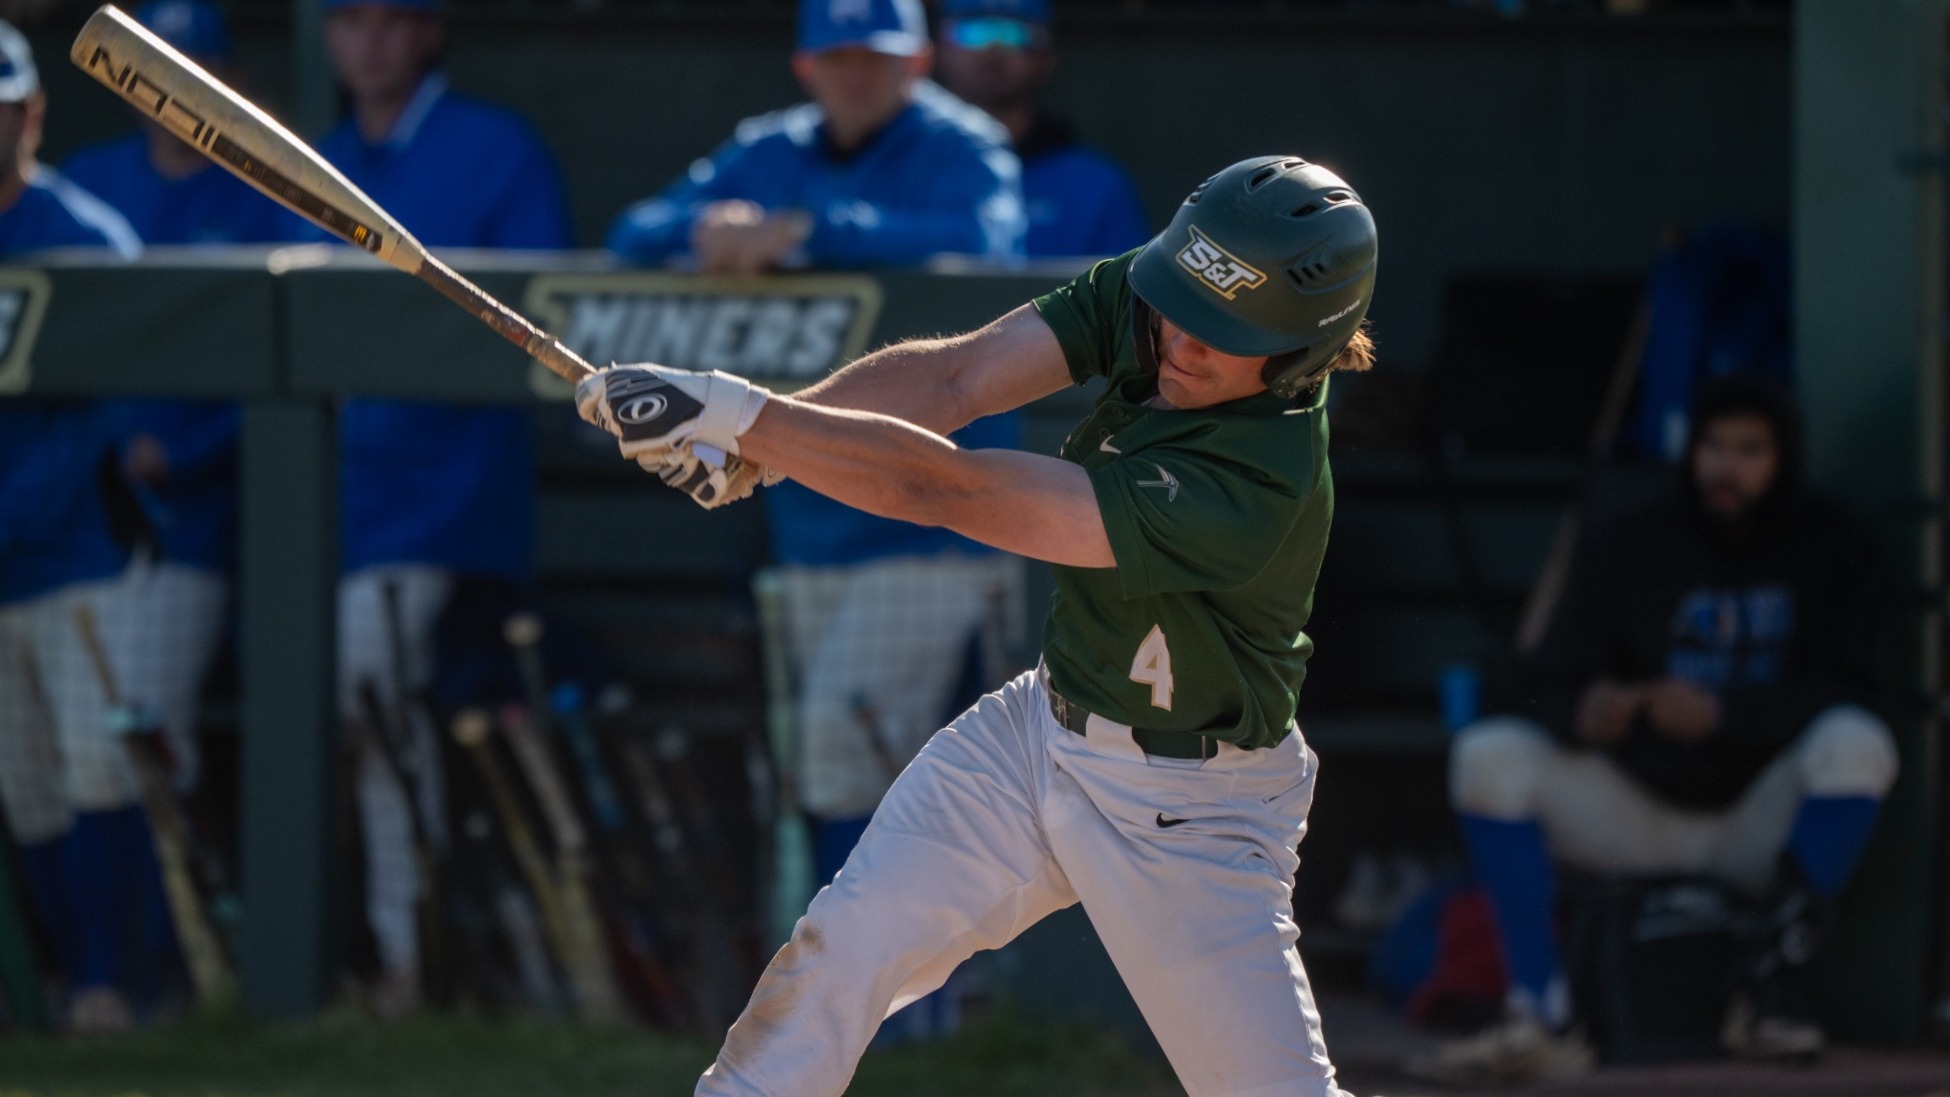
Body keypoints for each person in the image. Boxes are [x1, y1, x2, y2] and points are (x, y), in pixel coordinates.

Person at [578, 154, 1380, 1097]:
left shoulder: (1257, 484)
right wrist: (766, 450)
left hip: (1191, 805)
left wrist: (748, 417)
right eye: (1178, 301)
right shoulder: (1167, 295)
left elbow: (946, 488)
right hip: (1037, 733)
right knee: (843, 948)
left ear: (1302, 351)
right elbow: (959, 377)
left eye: (1219, 330)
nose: (1179, 338)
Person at [607, 1, 1030, 1034]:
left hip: (935, 532)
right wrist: (710, 238)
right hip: (808, 528)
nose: (855, 74)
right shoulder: (769, 150)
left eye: (875, 56)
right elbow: (636, 233)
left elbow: (987, 243)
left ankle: (893, 1015)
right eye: (837, 55)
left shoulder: (957, 146)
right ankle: (883, 1015)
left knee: (893, 775)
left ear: (917, 60)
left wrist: (803, 235)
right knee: (844, 776)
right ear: (805, 61)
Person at [1410, 372, 1899, 1084]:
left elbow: (1855, 685)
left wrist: (1727, 712)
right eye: (1713, 446)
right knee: (1488, 754)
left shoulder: (1830, 544)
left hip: (1756, 823)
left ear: (1783, 458)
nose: (1727, 466)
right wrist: (1584, 707)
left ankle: (1766, 993)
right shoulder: (1632, 542)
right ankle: (1541, 1015)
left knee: (1859, 741)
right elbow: (1538, 678)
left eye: (1750, 450)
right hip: (1635, 810)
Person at [312, 0, 572, 1017]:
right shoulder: (321, 154)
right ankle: (389, 955)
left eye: (392, 19)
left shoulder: (492, 149)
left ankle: (416, 955)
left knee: (378, 704)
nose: (369, 41)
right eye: (349, 20)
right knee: (359, 721)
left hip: (450, 509)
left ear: (429, 31)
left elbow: (537, 329)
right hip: (327, 510)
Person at [61, 0, 300, 802]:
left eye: (190, 74)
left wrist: (184, 452)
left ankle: (178, 922)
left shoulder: (268, 193)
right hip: (81, 519)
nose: (167, 93)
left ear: (228, 81)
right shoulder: (91, 187)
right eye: (154, 72)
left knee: (139, 741)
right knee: (65, 758)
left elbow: (301, 364)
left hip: (202, 523)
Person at [0, 18, 154, 1035]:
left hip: (83, 560)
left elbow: (99, 427)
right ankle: (66, 985)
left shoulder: (85, 236)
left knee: (100, 773)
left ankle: (121, 985)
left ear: (32, 113)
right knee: (26, 787)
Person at [932, 0, 1151, 258]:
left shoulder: (1097, 185)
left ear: (1047, 58)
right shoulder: (901, 171)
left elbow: (1126, 292)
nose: (993, 48)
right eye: (972, 31)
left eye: (1015, 33)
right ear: (936, 50)